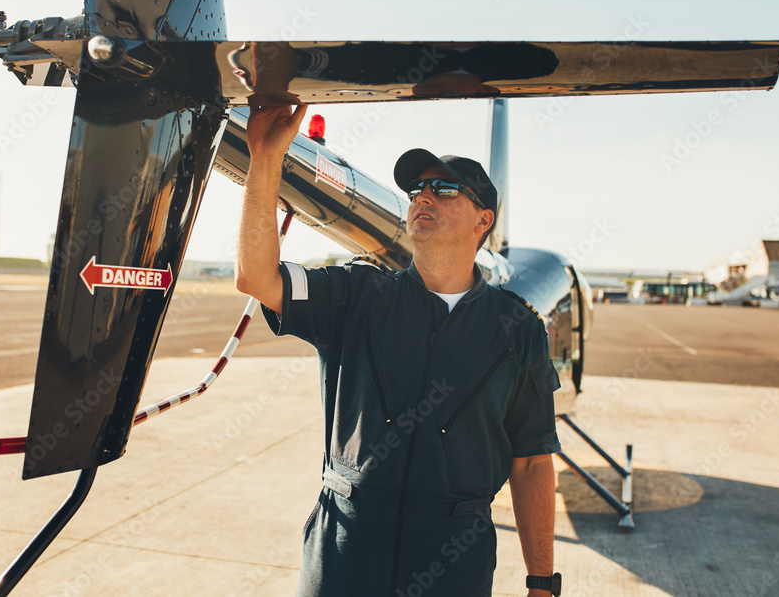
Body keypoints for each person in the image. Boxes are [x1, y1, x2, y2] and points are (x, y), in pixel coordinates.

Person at [235, 95, 561, 597]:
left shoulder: (517, 329)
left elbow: (533, 461)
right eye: (415, 189)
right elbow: (256, 276)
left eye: (445, 188)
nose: (422, 197)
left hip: (453, 563)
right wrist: (264, 159)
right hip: (344, 555)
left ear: (484, 220)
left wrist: (542, 582)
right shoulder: (357, 295)